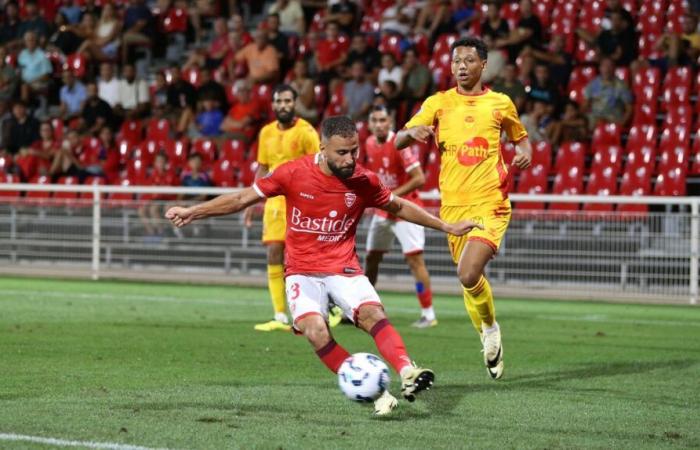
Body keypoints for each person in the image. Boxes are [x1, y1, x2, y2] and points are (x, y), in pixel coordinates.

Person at [166, 115, 482, 415]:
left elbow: (399, 206)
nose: (350, 159)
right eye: (342, 152)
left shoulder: (363, 181)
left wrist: (447, 227)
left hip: (342, 266)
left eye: (354, 151)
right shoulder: (292, 173)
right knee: (315, 330)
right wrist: (195, 211)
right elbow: (240, 199)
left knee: (373, 313)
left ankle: (407, 370)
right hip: (302, 271)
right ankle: (378, 394)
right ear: (323, 148)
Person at [396, 37, 532, 381]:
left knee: (468, 273)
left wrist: (525, 151)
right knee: (469, 279)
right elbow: (397, 140)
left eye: (468, 60)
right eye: (456, 60)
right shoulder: (438, 103)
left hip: (491, 202)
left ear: (482, 65)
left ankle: (489, 331)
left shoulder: (500, 103)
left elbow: (521, 138)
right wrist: (415, 132)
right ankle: (488, 329)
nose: (460, 66)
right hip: (452, 207)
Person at [243, 84, 321, 332]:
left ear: (295, 103)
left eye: (288, 101)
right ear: (273, 104)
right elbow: (263, 168)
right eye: (279, 101)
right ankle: (280, 315)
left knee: (305, 256)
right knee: (274, 252)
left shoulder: (307, 132)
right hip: (274, 202)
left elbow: (320, 168)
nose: (283, 105)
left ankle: (321, 309)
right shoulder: (265, 132)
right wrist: (251, 199)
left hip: (302, 200)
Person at [364, 106, 436, 328]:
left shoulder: (399, 144)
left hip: (406, 209)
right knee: (371, 259)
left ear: (390, 121)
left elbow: (419, 178)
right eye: (374, 120)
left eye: (382, 120)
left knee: (415, 261)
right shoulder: (368, 144)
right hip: (383, 210)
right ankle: (364, 308)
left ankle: (428, 313)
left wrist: (391, 196)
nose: (378, 124)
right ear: (369, 124)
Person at [582, 57, 632, 129]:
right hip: (594, 117)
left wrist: (622, 124)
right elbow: (585, 104)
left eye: (610, 66)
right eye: (604, 66)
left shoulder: (621, 86)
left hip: (611, 118)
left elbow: (629, 109)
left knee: (598, 122)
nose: (607, 69)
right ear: (600, 68)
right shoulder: (593, 83)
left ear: (614, 68)